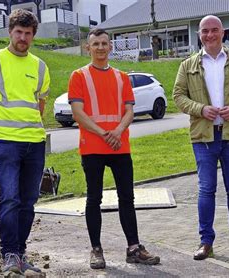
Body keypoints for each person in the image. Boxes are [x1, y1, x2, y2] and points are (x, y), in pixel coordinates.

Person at [68, 28, 160, 269]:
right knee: (93, 199)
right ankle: (96, 249)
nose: (100, 47)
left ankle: (133, 247)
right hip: (93, 148)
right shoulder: (79, 76)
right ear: (88, 48)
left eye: (104, 43)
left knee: (127, 198)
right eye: (95, 43)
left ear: (111, 47)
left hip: (120, 146)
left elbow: (129, 110)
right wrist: (105, 134)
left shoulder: (121, 77)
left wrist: (117, 132)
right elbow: (78, 113)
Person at [173, 15, 229, 260]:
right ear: (199, 34)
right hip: (204, 138)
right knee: (206, 190)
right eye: (204, 31)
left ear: (223, 33)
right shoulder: (187, 65)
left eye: (214, 30)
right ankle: (205, 242)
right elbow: (178, 96)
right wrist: (201, 109)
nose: (209, 35)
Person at [0, 9, 48, 274]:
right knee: (10, 198)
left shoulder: (39, 66)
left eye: (28, 34)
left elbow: (40, 104)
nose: (23, 38)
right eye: (19, 32)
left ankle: (21, 252)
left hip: (34, 142)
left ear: (33, 36)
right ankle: (9, 254)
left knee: (28, 200)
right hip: (5, 142)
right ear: (10, 31)